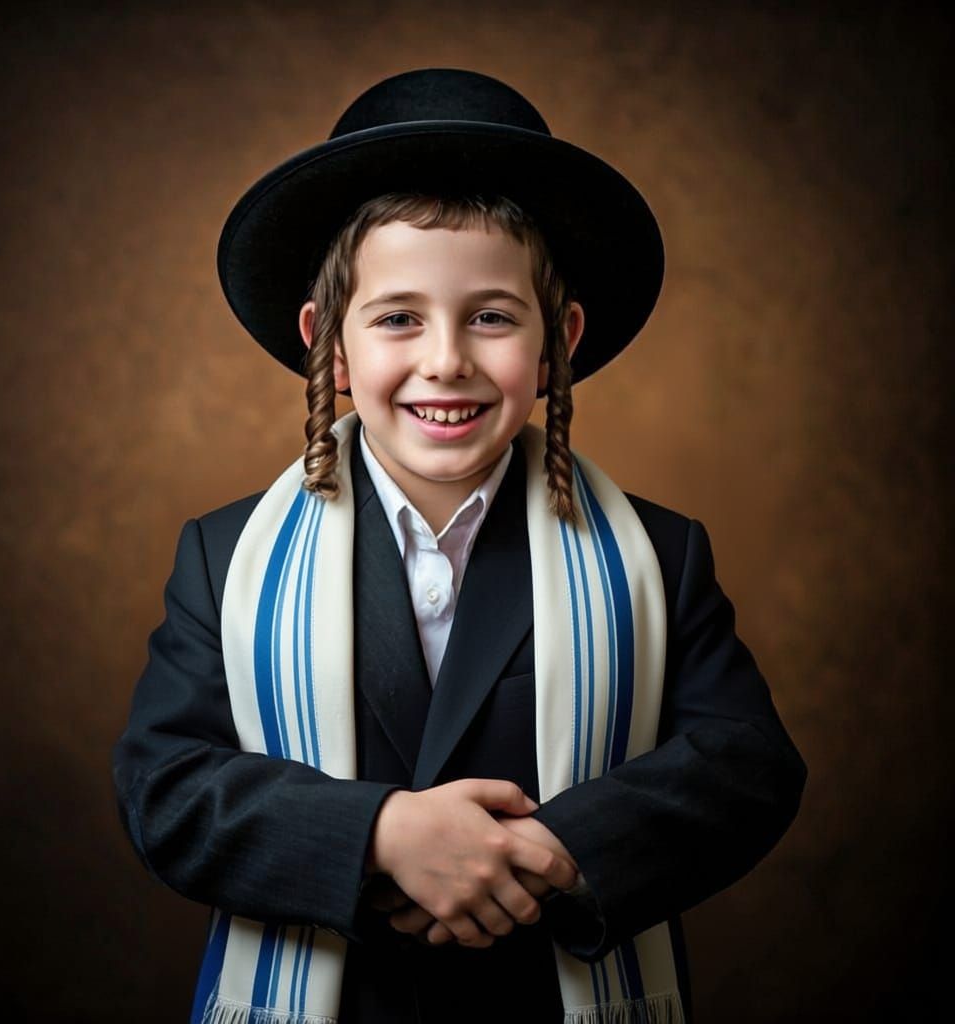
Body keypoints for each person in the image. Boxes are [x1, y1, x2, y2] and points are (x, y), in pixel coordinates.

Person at [111, 67, 807, 1024]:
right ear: (332, 347)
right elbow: (166, 788)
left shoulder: (655, 555)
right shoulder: (227, 560)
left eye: (491, 316)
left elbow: (745, 766)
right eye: (399, 318)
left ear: (558, 341)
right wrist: (382, 833)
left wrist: (553, 852)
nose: (446, 360)